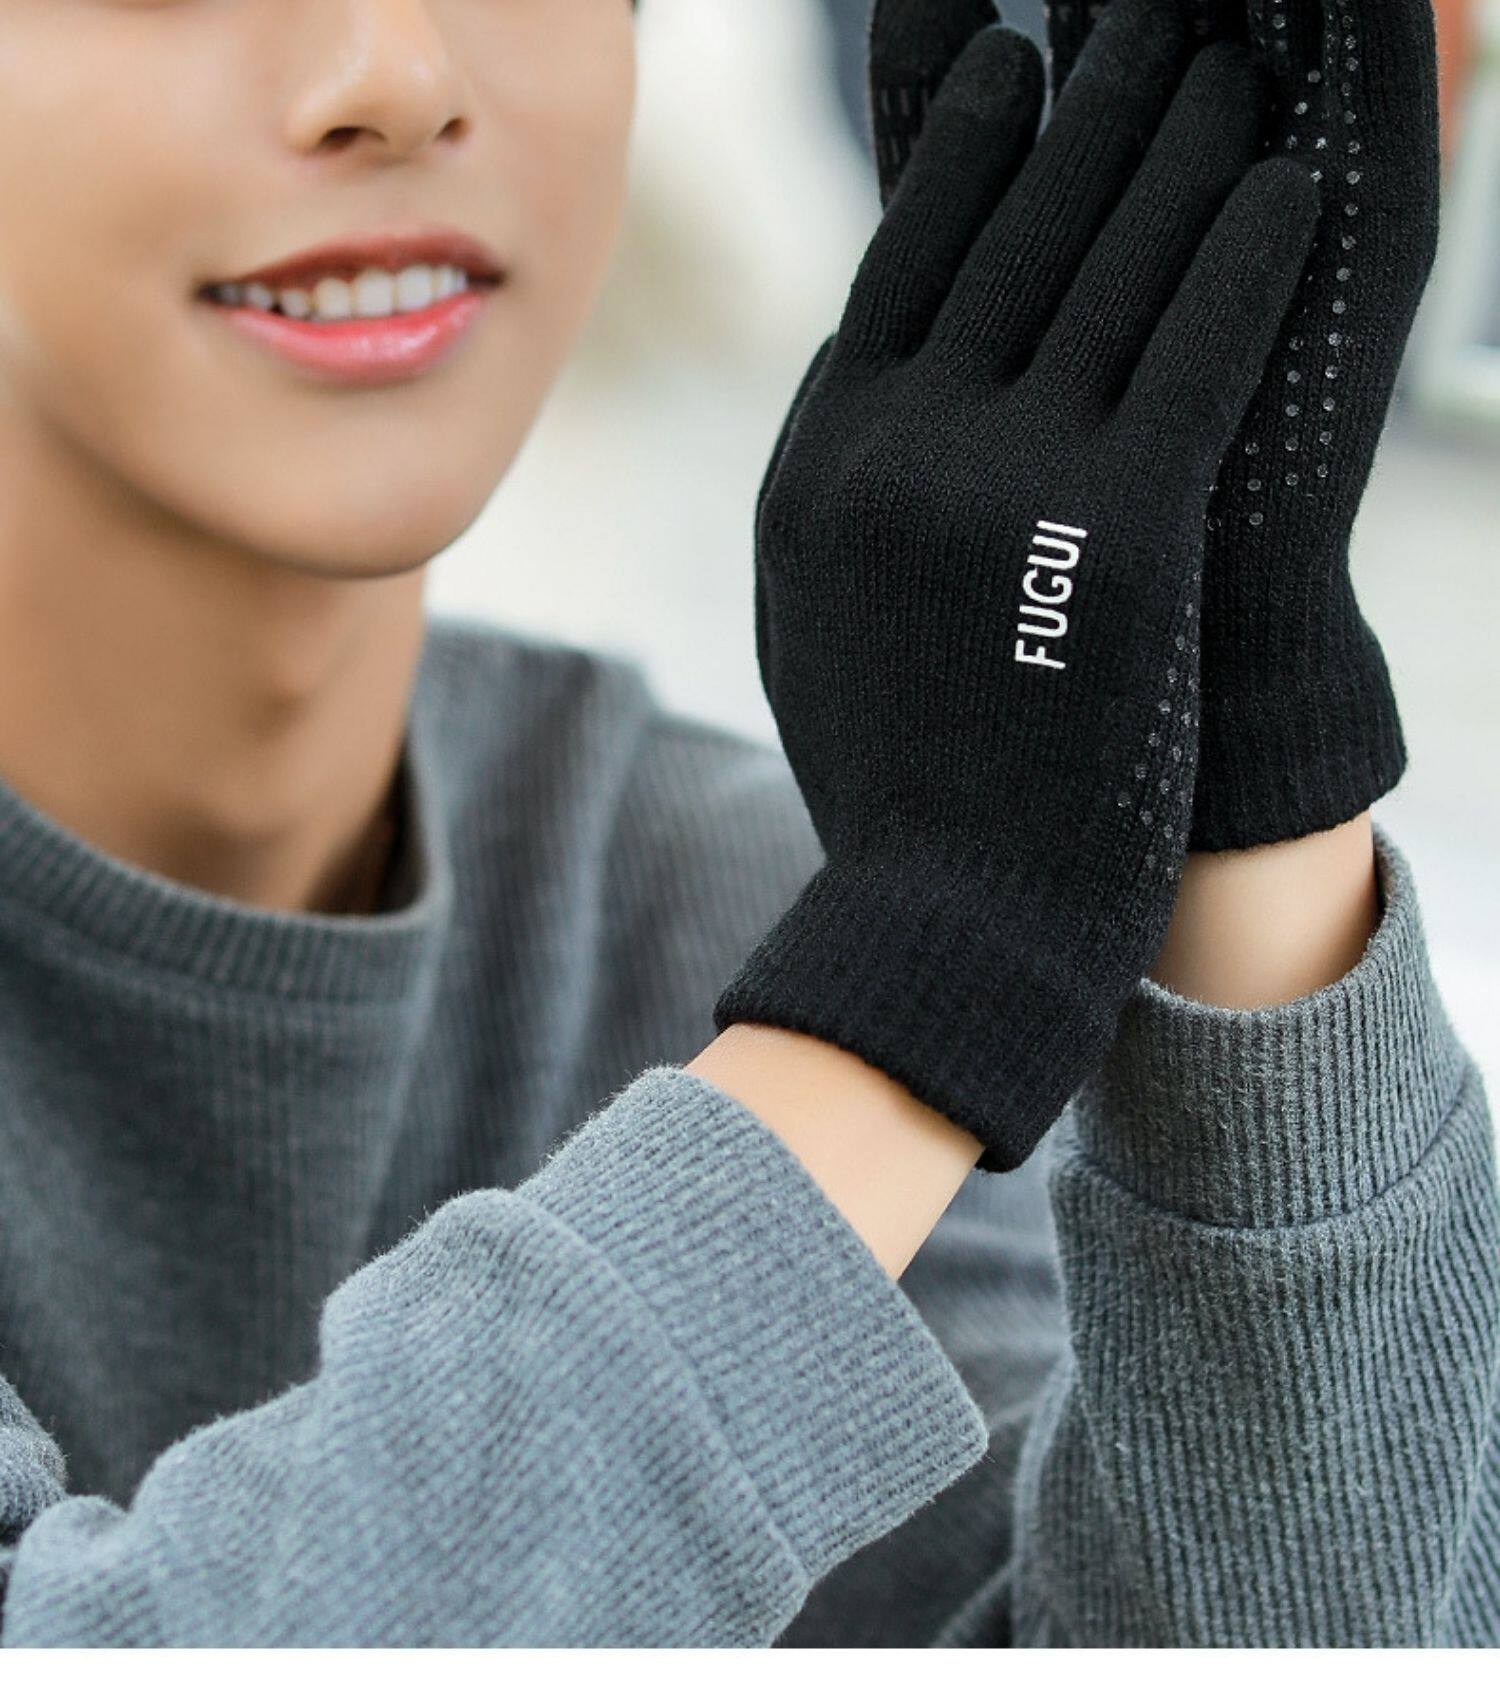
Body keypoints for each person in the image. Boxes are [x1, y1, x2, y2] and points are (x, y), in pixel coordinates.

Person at [0, 0, 1492, 1649]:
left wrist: (1250, 744)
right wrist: (915, 992)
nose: (401, 77)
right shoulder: (839, 976)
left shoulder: (728, 903)